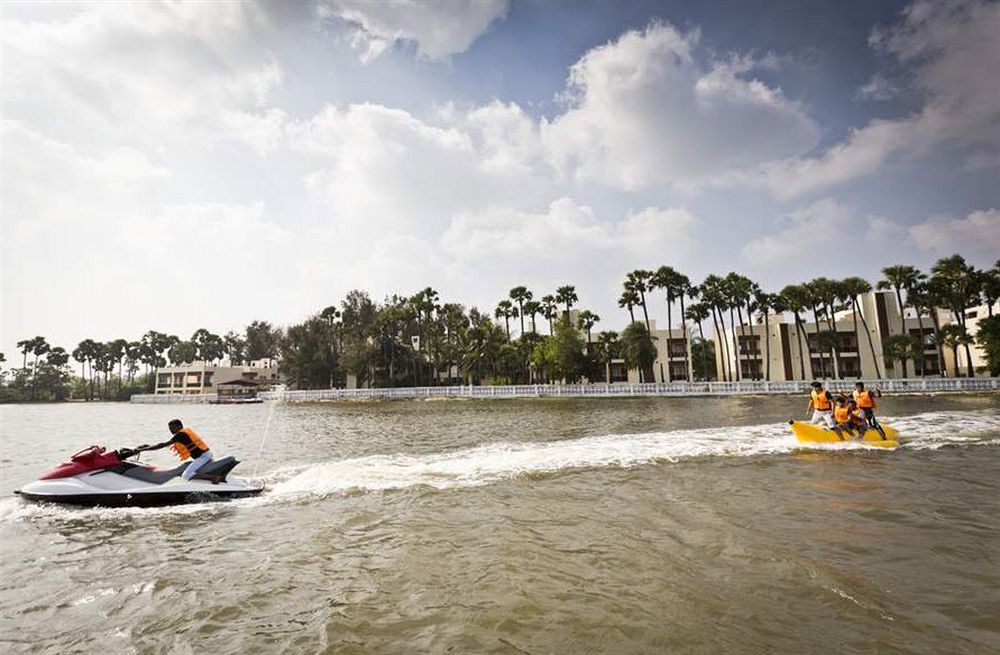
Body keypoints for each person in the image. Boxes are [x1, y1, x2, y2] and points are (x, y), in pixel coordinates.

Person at [137, 419, 214, 481]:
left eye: (172, 428)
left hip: (203, 457)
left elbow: (162, 445)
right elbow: (163, 445)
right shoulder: (184, 432)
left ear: (179, 426)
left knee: (186, 475)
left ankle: (213, 478)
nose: (171, 431)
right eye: (170, 429)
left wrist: (144, 449)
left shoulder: (180, 435)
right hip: (204, 455)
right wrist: (147, 446)